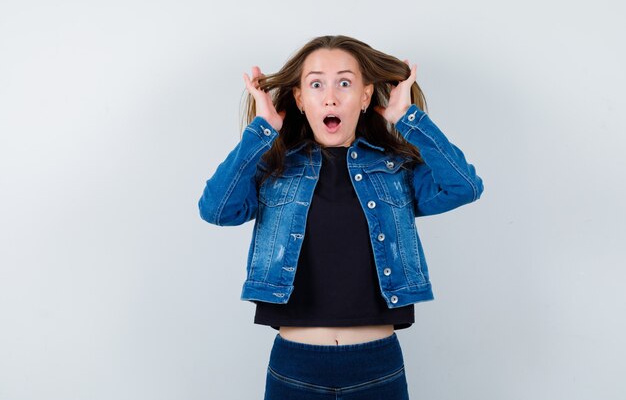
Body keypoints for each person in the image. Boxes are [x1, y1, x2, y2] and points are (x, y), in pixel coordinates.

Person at [198, 35, 484, 400]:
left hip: (376, 367)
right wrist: (262, 132)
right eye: (316, 84)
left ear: (365, 96)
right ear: (300, 99)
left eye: (345, 83)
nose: (330, 97)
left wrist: (407, 119)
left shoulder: (394, 169)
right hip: (295, 367)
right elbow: (216, 210)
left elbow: (463, 187)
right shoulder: (275, 170)